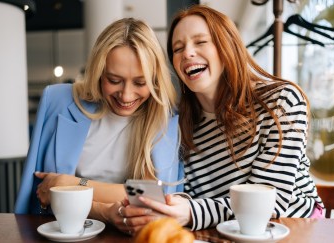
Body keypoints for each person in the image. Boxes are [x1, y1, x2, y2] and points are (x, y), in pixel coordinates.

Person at [119, 5, 323, 232]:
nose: (187, 53)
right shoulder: (179, 123)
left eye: (200, 42)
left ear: (227, 46)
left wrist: (191, 212)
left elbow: (270, 201)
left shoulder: (281, 102)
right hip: (221, 233)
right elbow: (185, 194)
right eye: (178, 48)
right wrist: (163, 208)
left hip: (294, 227)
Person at [14, 17, 183, 233]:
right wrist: (103, 210)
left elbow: (149, 199)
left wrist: (72, 183)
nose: (126, 95)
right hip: (58, 233)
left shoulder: (166, 117)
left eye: (141, 83)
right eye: (114, 80)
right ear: (98, 71)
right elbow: (40, 191)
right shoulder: (56, 101)